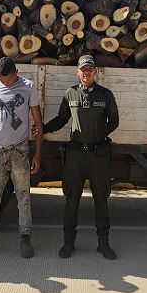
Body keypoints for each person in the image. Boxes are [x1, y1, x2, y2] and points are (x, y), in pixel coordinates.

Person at [41, 55, 120, 260]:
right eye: (83, 69)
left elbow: (114, 121)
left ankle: (103, 243)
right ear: (77, 72)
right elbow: (61, 119)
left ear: (96, 72)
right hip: (75, 155)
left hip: (98, 156)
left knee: (101, 199)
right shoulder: (71, 93)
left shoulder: (105, 95)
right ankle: (68, 242)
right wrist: (43, 129)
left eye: (90, 69)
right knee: (71, 200)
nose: (86, 73)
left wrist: (100, 134)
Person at [0, 57, 43, 259]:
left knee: (23, 196)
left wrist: (38, 153)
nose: (6, 84)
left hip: (19, 151)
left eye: (9, 80)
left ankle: (25, 238)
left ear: (16, 72)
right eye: (2, 80)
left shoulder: (29, 87)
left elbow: (38, 121)